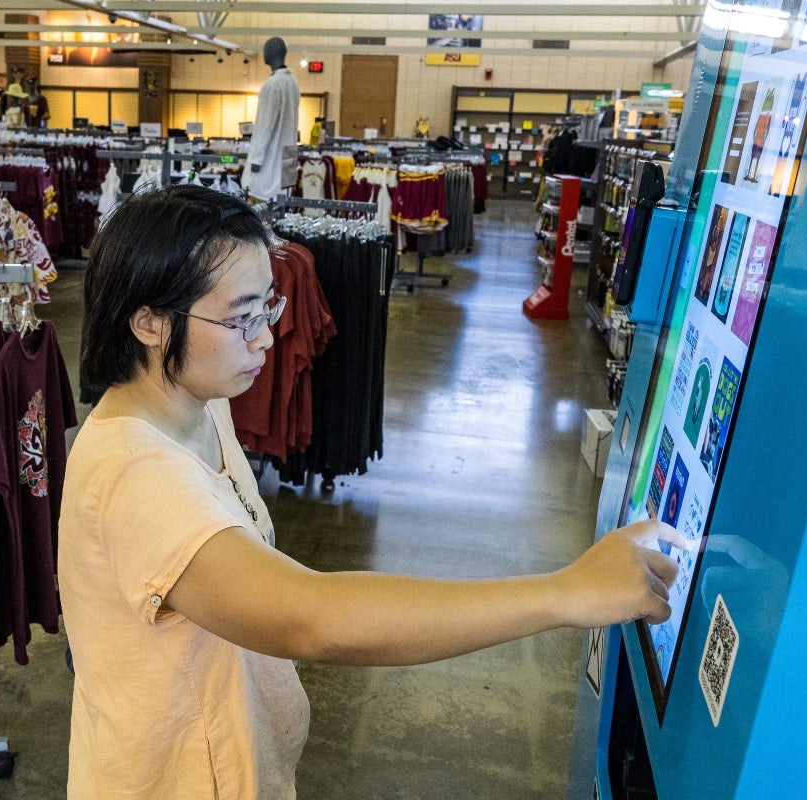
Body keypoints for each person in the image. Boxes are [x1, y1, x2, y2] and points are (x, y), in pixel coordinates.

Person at [58, 184, 685, 799]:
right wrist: (563, 593)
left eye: (267, 310)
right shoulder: (135, 474)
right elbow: (311, 619)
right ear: (149, 323)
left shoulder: (201, 405)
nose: (265, 338)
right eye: (240, 317)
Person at [244, 36, 300, 202]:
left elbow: (265, 126)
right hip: (287, 161)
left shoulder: (272, 85)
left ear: (270, 53)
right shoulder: (292, 82)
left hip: (268, 167)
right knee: (283, 208)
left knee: (263, 215)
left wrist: (256, 159)